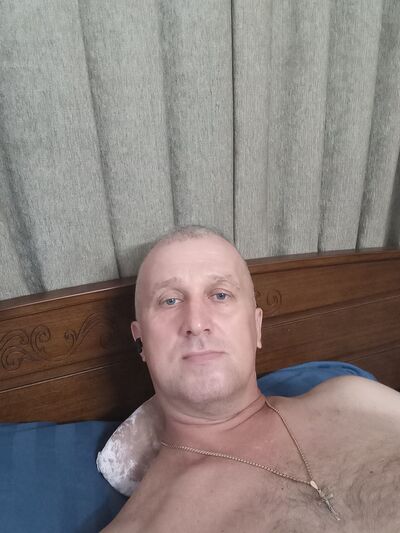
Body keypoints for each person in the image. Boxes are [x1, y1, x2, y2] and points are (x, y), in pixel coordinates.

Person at [103, 225, 400, 532]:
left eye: (220, 295)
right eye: (170, 301)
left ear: (256, 327)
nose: (196, 322)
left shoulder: (357, 399)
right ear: (140, 342)